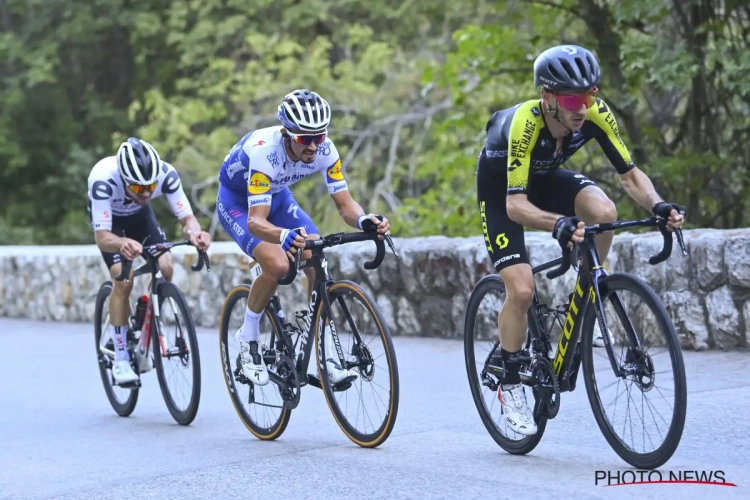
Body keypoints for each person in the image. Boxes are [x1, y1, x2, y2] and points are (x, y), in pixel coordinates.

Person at [475, 45, 685, 436]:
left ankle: (589, 287)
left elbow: (630, 175)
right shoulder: (525, 124)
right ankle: (508, 378)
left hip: (545, 178)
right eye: (573, 99)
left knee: (604, 213)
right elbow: (516, 205)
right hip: (503, 192)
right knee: (521, 291)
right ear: (548, 97)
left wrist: (658, 205)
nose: (582, 108)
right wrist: (557, 223)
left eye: (590, 96)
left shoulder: (595, 114)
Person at [216, 88, 390, 387]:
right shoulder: (264, 153)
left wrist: (365, 220)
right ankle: (248, 339)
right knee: (278, 265)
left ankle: (324, 354)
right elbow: (257, 221)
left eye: (319, 137)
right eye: (304, 139)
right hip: (238, 201)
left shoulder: (325, 149)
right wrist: (282, 235)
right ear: (286, 134)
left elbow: (346, 206)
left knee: (315, 253)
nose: (313, 146)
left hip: (277, 195)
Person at [87, 137, 212, 385]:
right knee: (124, 281)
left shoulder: (166, 174)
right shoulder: (102, 178)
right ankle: (121, 357)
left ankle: (147, 321)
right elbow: (102, 237)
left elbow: (187, 219)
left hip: (139, 218)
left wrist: (196, 233)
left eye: (150, 187)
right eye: (137, 188)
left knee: (166, 267)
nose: (145, 193)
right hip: (110, 225)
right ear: (123, 179)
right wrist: (122, 243)